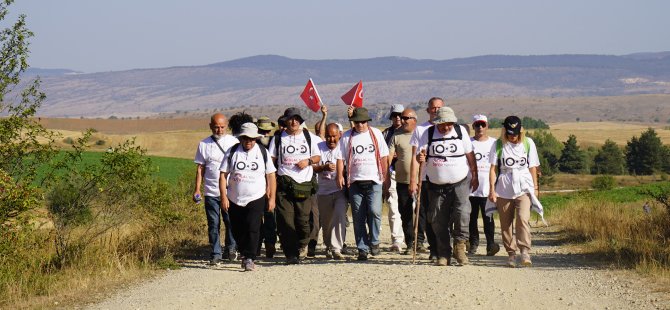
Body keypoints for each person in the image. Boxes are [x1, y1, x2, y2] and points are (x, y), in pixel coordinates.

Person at [414, 107, 478, 266]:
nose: (446, 127)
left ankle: (460, 247)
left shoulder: (461, 131)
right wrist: (420, 157)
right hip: (436, 185)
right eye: (443, 124)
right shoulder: (427, 133)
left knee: (462, 213)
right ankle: (444, 253)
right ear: (437, 122)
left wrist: (475, 175)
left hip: (460, 182)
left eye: (449, 124)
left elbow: (470, 155)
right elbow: (418, 156)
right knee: (437, 219)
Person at [219, 123, 277, 271]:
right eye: (245, 138)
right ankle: (245, 253)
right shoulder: (232, 152)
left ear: (256, 138)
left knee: (253, 227)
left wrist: (272, 198)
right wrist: (224, 197)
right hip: (234, 197)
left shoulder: (262, 152)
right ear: (241, 138)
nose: (248, 141)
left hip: (256, 196)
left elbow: (271, 175)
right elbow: (223, 175)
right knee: (238, 229)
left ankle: (249, 257)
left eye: (252, 138)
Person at [269, 107, 321, 264]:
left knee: (303, 221)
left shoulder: (308, 137)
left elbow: (318, 156)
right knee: (286, 221)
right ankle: (290, 255)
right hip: (284, 185)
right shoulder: (278, 139)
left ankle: (303, 244)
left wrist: (308, 161)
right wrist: (270, 182)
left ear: (300, 121)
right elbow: (271, 160)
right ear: (285, 121)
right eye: (290, 119)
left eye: (296, 118)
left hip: (304, 185)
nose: (294, 121)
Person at [336, 107, 389, 261]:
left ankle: (374, 240)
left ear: (368, 121)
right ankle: (362, 248)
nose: (360, 125)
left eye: (363, 122)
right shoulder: (347, 137)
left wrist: (385, 177)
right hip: (355, 181)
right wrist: (340, 175)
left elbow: (384, 156)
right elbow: (340, 158)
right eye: (357, 122)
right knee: (358, 216)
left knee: (375, 212)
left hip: (374, 180)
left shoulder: (376, 134)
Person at [488, 115, 541, 268]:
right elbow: (493, 169)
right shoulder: (498, 145)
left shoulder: (528, 143)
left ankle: (524, 250)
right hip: (504, 188)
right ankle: (511, 253)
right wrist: (492, 190)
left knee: (523, 218)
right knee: (506, 223)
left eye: (516, 133)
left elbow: (532, 167)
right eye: (510, 133)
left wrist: (535, 188)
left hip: (524, 186)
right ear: (504, 131)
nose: (513, 136)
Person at [193, 113, 238, 265]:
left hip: (229, 191)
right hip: (211, 191)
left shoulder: (234, 142)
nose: (219, 130)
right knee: (213, 223)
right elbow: (200, 168)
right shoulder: (204, 144)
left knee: (230, 221)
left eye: (222, 127)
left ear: (227, 126)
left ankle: (231, 249)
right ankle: (216, 253)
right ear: (210, 126)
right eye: (216, 127)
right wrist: (197, 189)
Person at [409, 97, 444, 259]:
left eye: (439, 108)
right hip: (425, 179)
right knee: (428, 215)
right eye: (433, 108)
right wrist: (413, 181)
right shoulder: (420, 130)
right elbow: (415, 157)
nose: (436, 110)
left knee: (442, 215)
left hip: (444, 179)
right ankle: (434, 249)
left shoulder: (449, 128)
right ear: (428, 110)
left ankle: (444, 246)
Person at [387, 108, 419, 254]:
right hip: (401, 181)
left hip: (421, 181)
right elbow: (389, 157)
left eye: (407, 118)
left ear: (414, 120)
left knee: (422, 212)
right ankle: (410, 243)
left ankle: (421, 242)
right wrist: (384, 175)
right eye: (402, 118)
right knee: (404, 213)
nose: (403, 120)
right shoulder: (396, 135)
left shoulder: (421, 135)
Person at [313, 123, 347, 260]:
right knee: (326, 222)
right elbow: (313, 167)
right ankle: (328, 245)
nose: (331, 140)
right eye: (328, 136)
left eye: (334, 136)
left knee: (339, 216)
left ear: (339, 135)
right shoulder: (318, 148)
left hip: (339, 190)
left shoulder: (343, 147)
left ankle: (336, 248)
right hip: (323, 191)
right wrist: (323, 167)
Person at [468, 114, 501, 256]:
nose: (480, 127)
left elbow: (500, 166)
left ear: (487, 126)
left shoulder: (494, 143)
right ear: (473, 126)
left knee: (488, 218)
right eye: (477, 125)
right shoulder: (468, 143)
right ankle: (473, 244)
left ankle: (490, 244)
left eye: (482, 124)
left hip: (488, 189)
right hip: (470, 189)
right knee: (471, 218)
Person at [382, 104, 406, 252]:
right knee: (393, 206)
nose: (397, 118)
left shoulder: (410, 133)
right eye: (395, 115)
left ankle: (411, 237)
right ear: (391, 117)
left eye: (400, 115)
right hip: (391, 172)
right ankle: (396, 239)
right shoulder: (385, 134)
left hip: (408, 174)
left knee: (411, 207)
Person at [255, 116, 278, 258]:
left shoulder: (274, 143)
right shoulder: (252, 144)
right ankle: (256, 246)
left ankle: (270, 244)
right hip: (255, 187)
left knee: (270, 217)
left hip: (270, 185)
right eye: (262, 131)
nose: (265, 134)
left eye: (267, 131)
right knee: (255, 219)